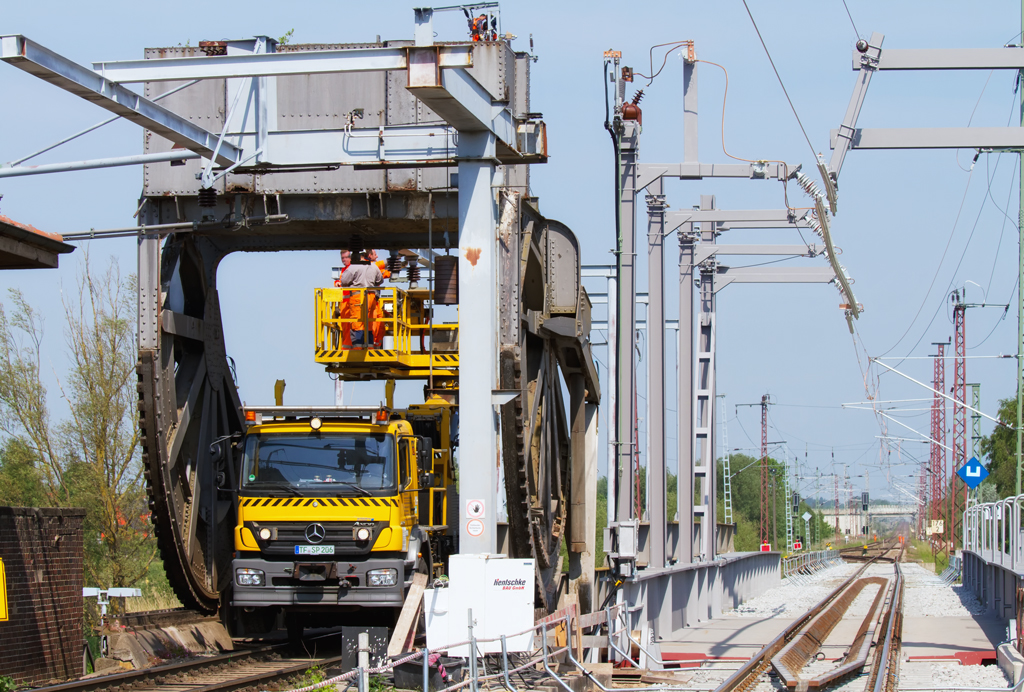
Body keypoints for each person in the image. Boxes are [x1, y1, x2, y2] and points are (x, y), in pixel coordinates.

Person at [341, 250, 385, 347]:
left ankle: (358, 351)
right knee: (368, 324)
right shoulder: (374, 266)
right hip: (371, 298)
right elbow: (380, 280)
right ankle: (368, 348)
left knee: (357, 324)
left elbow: (344, 281)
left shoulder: (353, 267)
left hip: (358, 298)